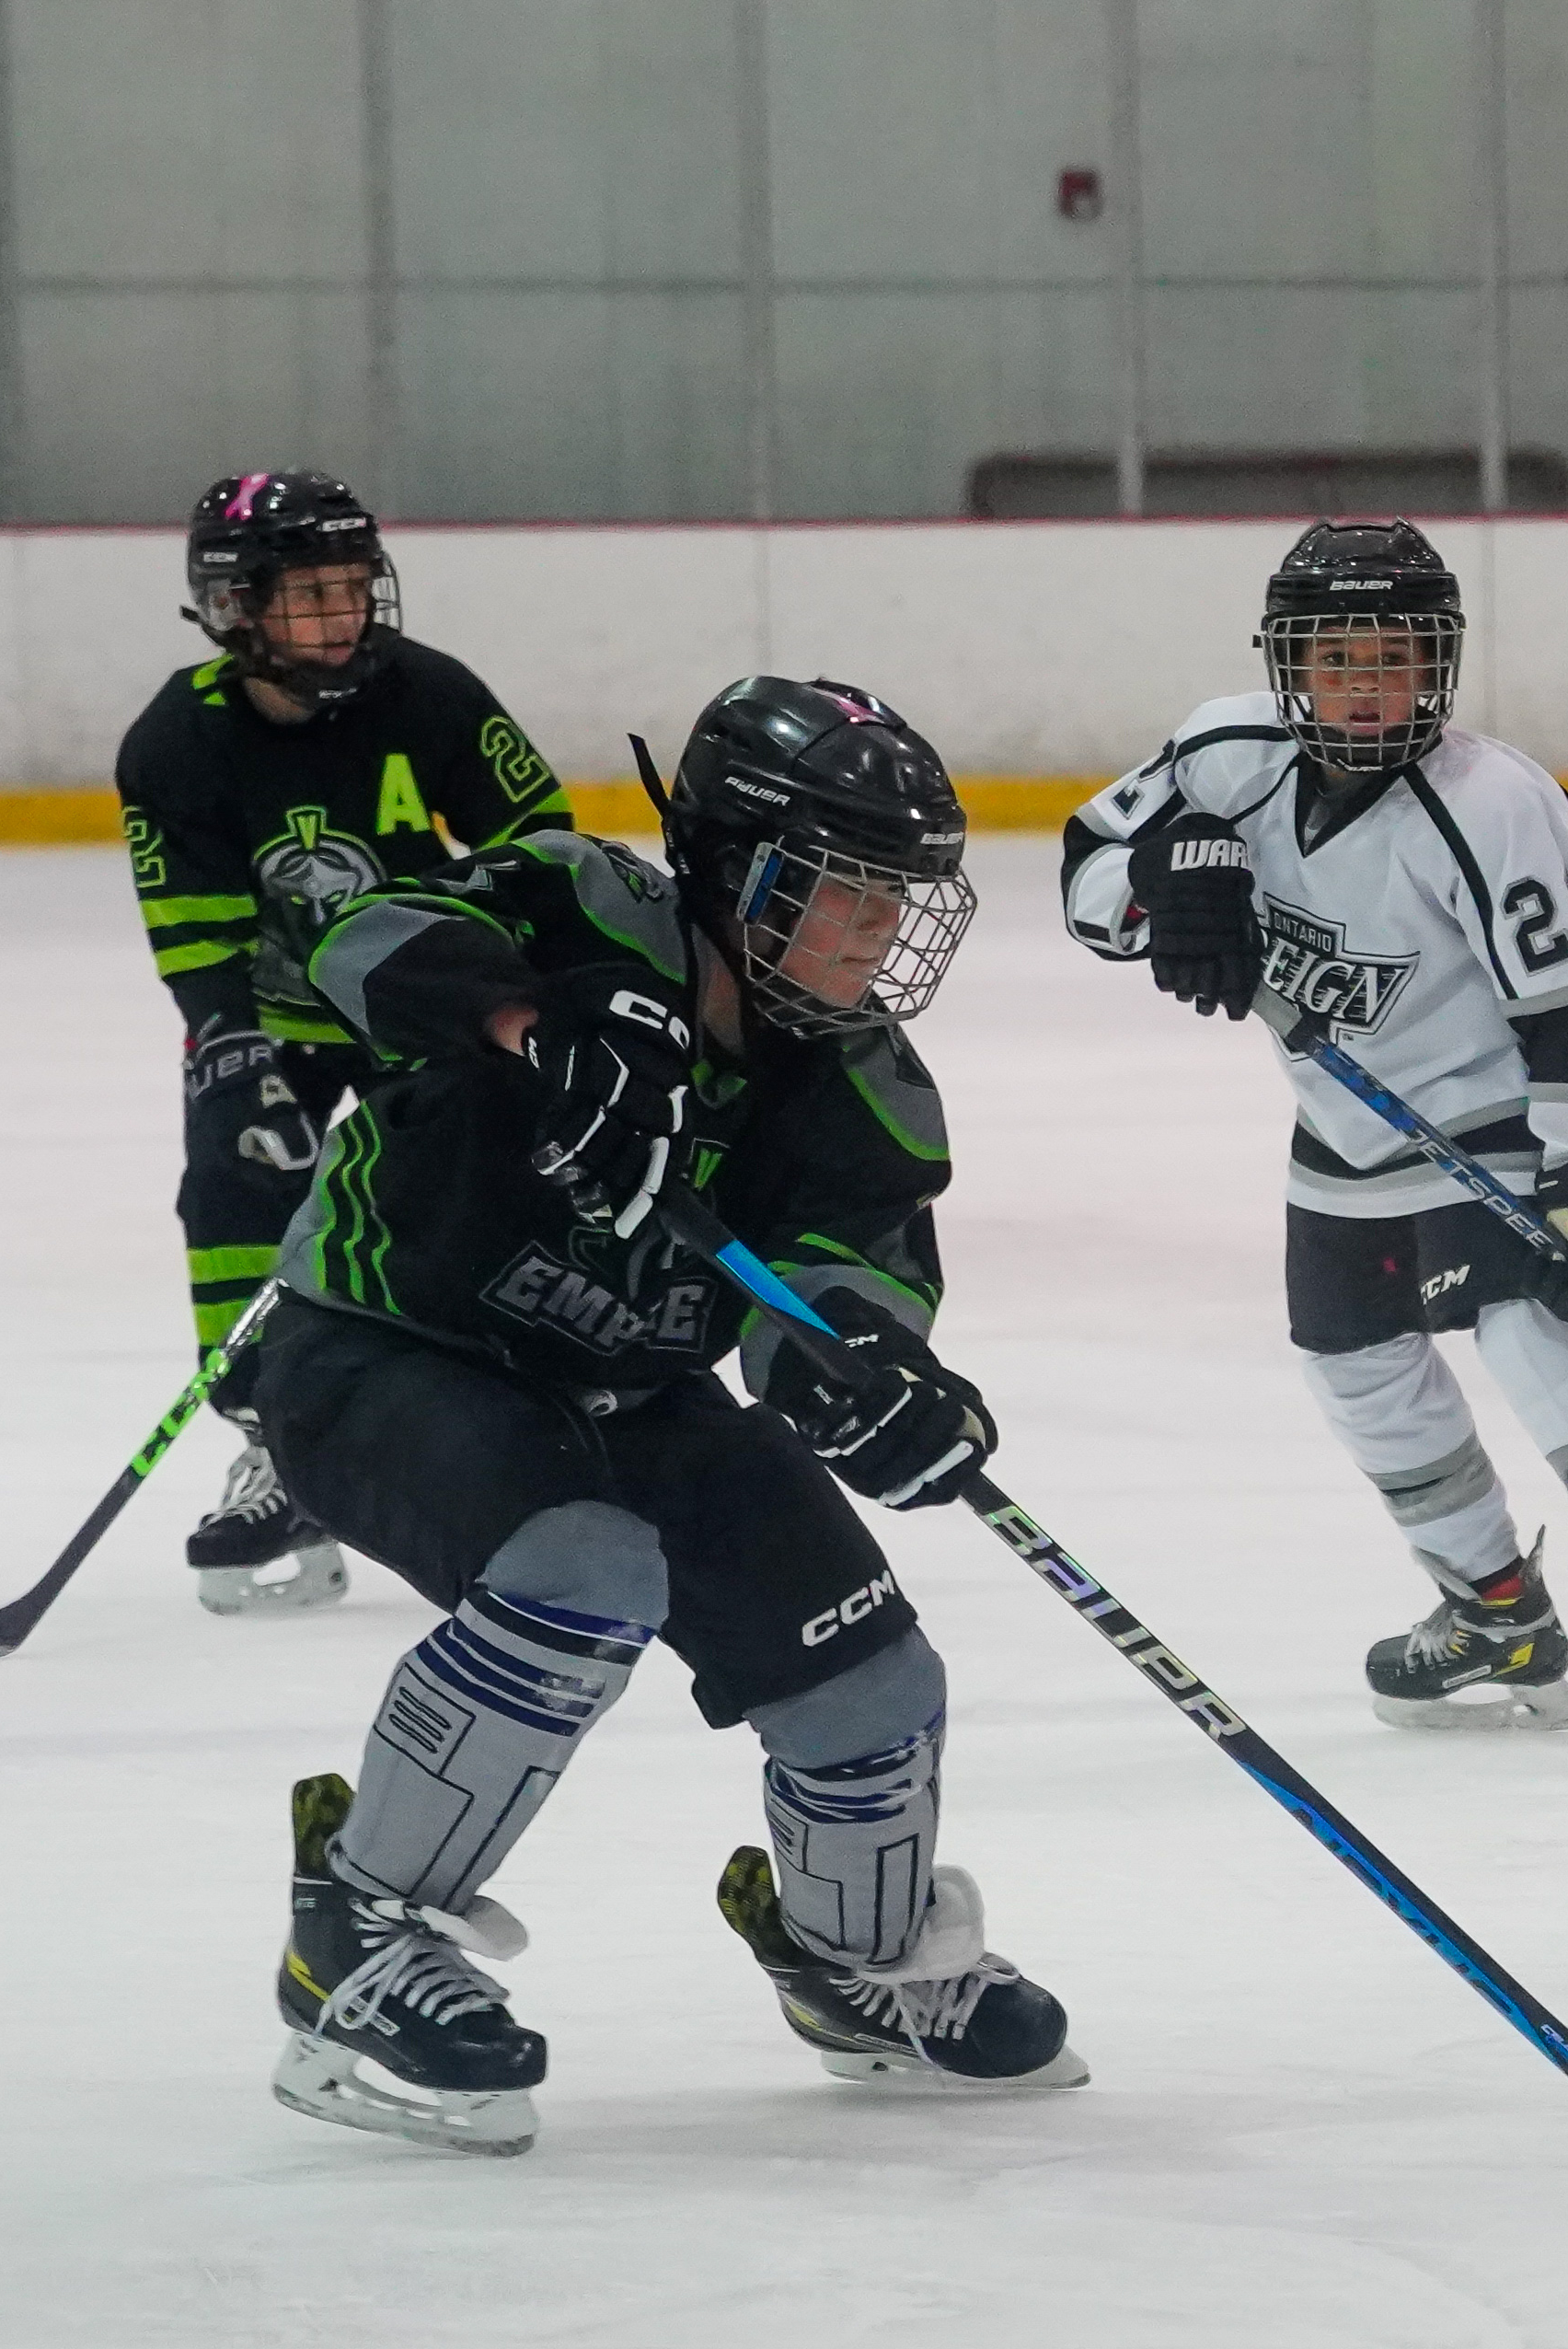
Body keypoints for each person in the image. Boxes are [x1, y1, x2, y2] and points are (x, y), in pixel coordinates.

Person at [253, 677, 1078, 2158]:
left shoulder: (865, 1086)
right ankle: (356, 1932)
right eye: (843, 890)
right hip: (384, 1352)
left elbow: (844, 1276)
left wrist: (866, 1372)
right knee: (586, 1572)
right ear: (737, 866)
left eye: (896, 900)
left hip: (634, 1391)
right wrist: (532, 1020)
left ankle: (849, 1963)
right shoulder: (577, 905)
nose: (876, 932)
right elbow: (350, 934)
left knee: (869, 1676)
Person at [1056, 519, 1568, 1769]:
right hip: (1341, 1126)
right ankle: (1495, 1611)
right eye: (1337, 661)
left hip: (1489, 1112)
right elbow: (1086, 873)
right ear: (1287, 666)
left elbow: (1567, 1012)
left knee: (1533, 1331)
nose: (1368, 688)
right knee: (1353, 1363)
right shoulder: (1221, 752)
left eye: (1395, 658)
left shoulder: (1494, 803)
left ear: (1440, 663)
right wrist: (1166, 883)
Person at [114, 468, 575, 1614]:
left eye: (352, 586)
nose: (343, 613)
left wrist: (517, 992)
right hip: (278, 1016)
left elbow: (543, 850)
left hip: (427, 1008)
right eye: (310, 594)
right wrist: (231, 1051)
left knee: (477, 1199)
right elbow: (195, 925)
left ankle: (515, 1435)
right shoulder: (177, 739)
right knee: (232, 1181)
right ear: (236, 607)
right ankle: (276, 1434)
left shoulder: (432, 695)